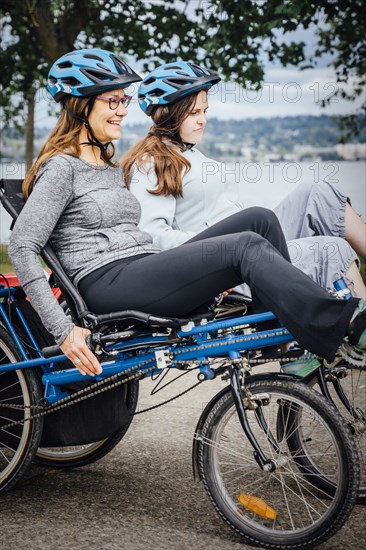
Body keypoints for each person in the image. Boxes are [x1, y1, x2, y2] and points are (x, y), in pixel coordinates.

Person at [8, 49, 366, 379]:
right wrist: (64, 330)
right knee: (243, 246)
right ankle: (337, 320)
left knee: (260, 219)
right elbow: (22, 247)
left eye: (124, 99)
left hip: (140, 266)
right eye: (112, 100)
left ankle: (276, 338)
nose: (122, 109)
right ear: (80, 106)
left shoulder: (105, 164)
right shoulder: (60, 169)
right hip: (108, 282)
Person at [124, 62, 366, 299]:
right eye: (194, 113)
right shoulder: (152, 162)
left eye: (204, 111)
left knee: (318, 192)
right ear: (170, 114)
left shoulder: (188, 152)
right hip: (230, 265)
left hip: (252, 244)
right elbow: (153, 236)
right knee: (330, 250)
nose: (203, 120)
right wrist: (220, 252)